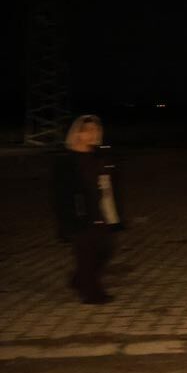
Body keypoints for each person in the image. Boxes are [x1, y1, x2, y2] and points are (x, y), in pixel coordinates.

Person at [51, 115, 124, 305]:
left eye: (96, 130)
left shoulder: (100, 156)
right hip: (80, 215)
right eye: (88, 130)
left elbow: (111, 185)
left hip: (103, 211)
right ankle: (92, 293)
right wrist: (66, 222)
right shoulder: (66, 161)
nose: (93, 134)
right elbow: (60, 195)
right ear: (77, 133)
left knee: (106, 249)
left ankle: (78, 280)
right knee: (86, 254)